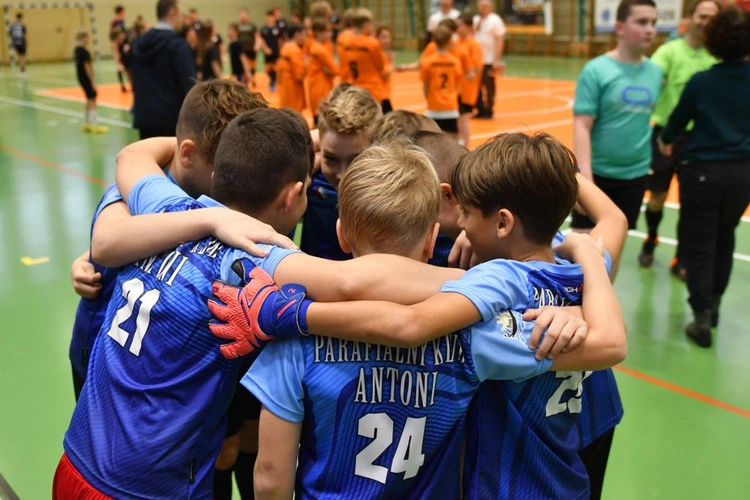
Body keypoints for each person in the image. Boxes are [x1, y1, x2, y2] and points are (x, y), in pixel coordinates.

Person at [212, 134, 628, 499]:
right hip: (556, 468)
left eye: (467, 213)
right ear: (433, 240)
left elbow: (270, 475)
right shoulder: (479, 332)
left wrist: (295, 317)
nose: (460, 224)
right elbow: (611, 240)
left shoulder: (292, 345)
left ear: (341, 233)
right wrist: (581, 284)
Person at [54, 107, 314, 500]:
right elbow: (354, 284)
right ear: (293, 195)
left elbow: (131, 155)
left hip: (77, 460)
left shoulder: (165, 208)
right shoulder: (259, 260)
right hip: (150, 489)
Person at [67, 80, 277, 401]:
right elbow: (107, 244)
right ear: (188, 153)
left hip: (159, 365)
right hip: (103, 358)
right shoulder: (136, 189)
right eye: (224, 166)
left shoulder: (204, 190)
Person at [658, 6, 750, 348]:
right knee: (725, 237)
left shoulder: (703, 81)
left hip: (702, 173)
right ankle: (715, 306)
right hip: (742, 173)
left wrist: (666, 140)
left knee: (700, 244)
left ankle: (701, 318)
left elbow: (675, 124)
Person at [571, 0, 661, 256]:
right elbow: (582, 126)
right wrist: (585, 180)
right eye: (641, 22)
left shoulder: (655, 72)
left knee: (613, 252)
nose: (650, 29)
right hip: (597, 175)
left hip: (635, 176)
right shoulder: (596, 70)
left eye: (653, 23)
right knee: (583, 256)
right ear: (619, 27)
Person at [638, 0, 722, 276]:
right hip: (665, 135)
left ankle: (681, 256)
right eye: (702, 16)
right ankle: (651, 238)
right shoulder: (670, 51)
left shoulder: (718, 57)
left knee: (691, 202)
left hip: (700, 140)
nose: (706, 22)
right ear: (691, 17)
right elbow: (650, 77)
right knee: (657, 197)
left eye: (712, 18)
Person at [301, 84, 382, 260]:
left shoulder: (394, 190)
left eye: (355, 160)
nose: (342, 175)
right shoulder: (307, 182)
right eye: (331, 158)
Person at [130, 0, 196, 139]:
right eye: (180, 14)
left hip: (145, 118)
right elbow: (188, 84)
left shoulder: (139, 43)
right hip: (171, 121)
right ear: (172, 13)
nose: (182, 19)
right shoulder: (177, 45)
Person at [339, 8, 390, 108]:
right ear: (366, 24)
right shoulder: (372, 43)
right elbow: (380, 66)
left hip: (355, 87)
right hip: (373, 89)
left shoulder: (347, 42)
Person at [420, 25, 462, 136]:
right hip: (450, 107)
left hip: (433, 107)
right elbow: (457, 84)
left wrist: (430, 100)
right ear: (449, 41)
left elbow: (425, 87)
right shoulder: (455, 61)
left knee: (432, 141)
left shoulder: (428, 62)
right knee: (452, 141)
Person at [473, 0, 506, 119]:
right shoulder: (476, 19)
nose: (483, 8)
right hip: (476, 61)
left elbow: (499, 40)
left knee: (489, 86)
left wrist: (496, 59)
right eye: (481, 6)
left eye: (485, 6)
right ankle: (479, 108)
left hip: (489, 60)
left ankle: (489, 109)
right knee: (476, 86)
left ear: (490, 7)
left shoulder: (495, 20)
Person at [456, 14, 483, 146]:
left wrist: (466, 77)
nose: (456, 28)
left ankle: (465, 146)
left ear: (468, 27)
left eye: (459, 25)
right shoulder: (456, 42)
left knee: (464, 118)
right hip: (456, 88)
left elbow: (477, 68)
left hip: (467, 89)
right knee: (457, 119)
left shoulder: (473, 44)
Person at [74, 30, 108, 135]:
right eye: (87, 37)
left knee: (89, 99)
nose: (88, 40)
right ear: (83, 38)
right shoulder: (84, 52)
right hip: (86, 79)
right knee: (93, 99)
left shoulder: (76, 50)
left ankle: (85, 123)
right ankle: (95, 125)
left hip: (80, 78)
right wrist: (92, 80)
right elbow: (87, 67)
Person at [307, 18, 339, 124]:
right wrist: (330, 71)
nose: (330, 34)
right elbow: (336, 70)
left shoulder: (313, 45)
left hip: (315, 85)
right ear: (318, 32)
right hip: (322, 87)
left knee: (317, 116)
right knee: (323, 119)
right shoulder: (320, 50)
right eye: (327, 31)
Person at [277, 23, 307, 112]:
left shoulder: (285, 48)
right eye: (303, 35)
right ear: (297, 34)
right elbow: (299, 75)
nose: (304, 38)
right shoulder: (295, 51)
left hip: (285, 87)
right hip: (293, 90)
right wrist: (306, 64)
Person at [260, 9, 283, 92]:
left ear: (274, 17)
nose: (270, 18)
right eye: (268, 17)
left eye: (271, 17)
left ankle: (273, 82)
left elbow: (280, 40)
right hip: (267, 52)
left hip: (276, 51)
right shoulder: (264, 28)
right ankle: (272, 79)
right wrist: (265, 49)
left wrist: (280, 50)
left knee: (275, 67)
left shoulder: (278, 28)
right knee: (268, 69)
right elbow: (261, 40)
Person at [237, 8, 259, 86]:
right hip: (242, 51)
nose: (243, 17)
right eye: (241, 15)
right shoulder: (237, 26)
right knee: (242, 67)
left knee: (252, 67)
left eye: (244, 15)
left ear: (248, 16)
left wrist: (257, 44)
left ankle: (252, 80)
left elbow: (257, 36)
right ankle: (244, 83)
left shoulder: (252, 26)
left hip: (251, 50)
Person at [376, 24, 395, 114]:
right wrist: (391, 63)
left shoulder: (382, 54)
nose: (387, 40)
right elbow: (385, 75)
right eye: (383, 37)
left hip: (380, 95)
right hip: (381, 96)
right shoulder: (379, 55)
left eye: (388, 37)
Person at [110, 5, 128, 91]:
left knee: (126, 64)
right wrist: (115, 44)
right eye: (123, 11)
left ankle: (129, 83)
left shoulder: (122, 21)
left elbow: (124, 32)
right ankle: (122, 85)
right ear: (120, 11)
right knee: (119, 64)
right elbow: (113, 34)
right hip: (117, 44)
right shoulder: (114, 21)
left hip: (123, 44)